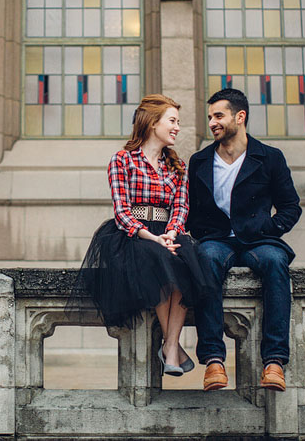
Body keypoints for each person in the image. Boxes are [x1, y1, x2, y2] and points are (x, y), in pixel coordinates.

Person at [74, 94, 212, 376]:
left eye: (178, 122)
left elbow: (181, 205)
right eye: (172, 121)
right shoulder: (123, 161)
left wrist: (172, 232)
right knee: (158, 261)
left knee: (188, 260)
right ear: (152, 123)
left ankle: (170, 344)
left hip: (169, 231)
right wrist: (153, 237)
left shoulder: (177, 166)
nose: (177, 127)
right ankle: (172, 346)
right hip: (134, 236)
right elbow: (122, 211)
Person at [187, 88, 301, 392]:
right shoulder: (199, 161)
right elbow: (190, 210)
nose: (212, 122)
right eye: (210, 116)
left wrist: (270, 228)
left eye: (219, 115)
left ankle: (274, 362)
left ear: (240, 117)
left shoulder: (270, 158)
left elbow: (291, 206)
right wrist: (203, 233)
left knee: (276, 262)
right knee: (206, 258)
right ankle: (213, 361)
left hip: (258, 240)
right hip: (217, 240)